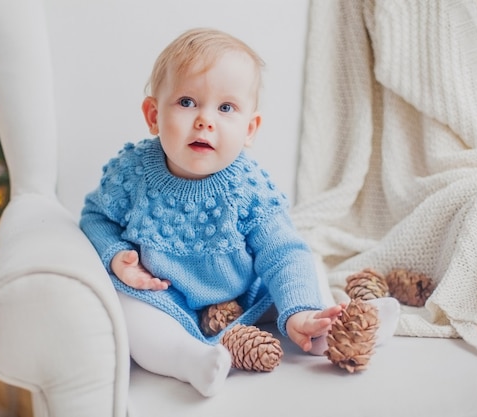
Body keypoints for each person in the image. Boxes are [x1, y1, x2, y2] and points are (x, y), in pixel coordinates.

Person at [79, 28, 398, 397]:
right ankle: (189, 360)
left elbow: (281, 252)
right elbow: (95, 216)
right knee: (127, 308)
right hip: (166, 296)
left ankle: (333, 326)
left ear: (249, 129)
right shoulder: (131, 172)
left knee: (304, 260)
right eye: (186, 102)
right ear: (152, 115)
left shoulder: (247, 186)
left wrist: (296, 310)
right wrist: (117, 256)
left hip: (246, 294)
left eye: (225, 108)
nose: (205, 120)